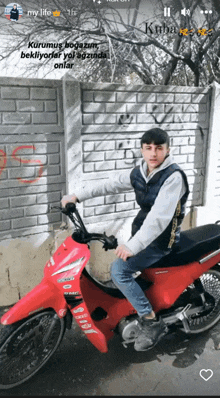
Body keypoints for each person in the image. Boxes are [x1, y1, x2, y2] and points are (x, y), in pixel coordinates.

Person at [61, 128, 189, 351]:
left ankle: (151, 321)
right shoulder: (140, 172)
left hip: (162, 240)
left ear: (168, 150)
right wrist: (76, 196)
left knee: (119, 270)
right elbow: (109, 184)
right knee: (126, 267)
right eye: (148, 148)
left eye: (159, 148)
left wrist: (132, 245)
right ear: (142, 149)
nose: (153, 153)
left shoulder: (173, 177)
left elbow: (159, 218)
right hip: (143, 232)